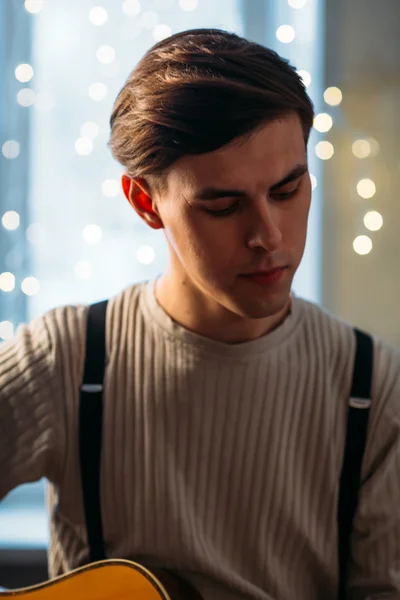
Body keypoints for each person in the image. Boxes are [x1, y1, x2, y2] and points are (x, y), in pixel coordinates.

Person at [0, 27, 399, 600]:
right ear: (145, 202)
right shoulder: (65, 359)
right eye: (223, 205)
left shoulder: (375, 388)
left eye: (287, 191)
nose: (268, 235)